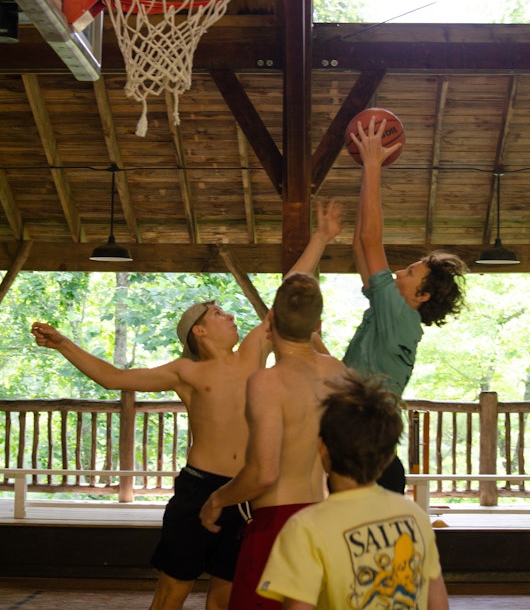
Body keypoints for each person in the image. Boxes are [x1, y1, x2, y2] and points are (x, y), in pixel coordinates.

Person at [30, 199, 344, 610]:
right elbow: (114, 378)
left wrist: (320, 236)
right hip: (198, 490)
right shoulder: (186, 373)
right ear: (199, 330)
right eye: (218, 313)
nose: (230, 316)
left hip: (244, 492)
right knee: (173, 590)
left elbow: (288, 294)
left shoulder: (253, 354)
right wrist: (64, 344)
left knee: (225, 594)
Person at [199, 271, 349, 610]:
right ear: (317, 323)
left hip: (279, 526)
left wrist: (218, 499)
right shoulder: (339, 372)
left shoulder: (268, 382)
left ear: (270, 322)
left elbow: (264, 473)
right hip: (325, 519)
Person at [343, 114, 467, 492]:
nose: (398, 273)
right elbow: (359, 246)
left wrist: (373, 165)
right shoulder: (392, 312)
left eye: (410, 273)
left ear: (421, 296)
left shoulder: (399, 315)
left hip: (370, 465)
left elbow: (369, 241)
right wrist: (368, 170)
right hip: (365, 458)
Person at [257, 370, 449, 610]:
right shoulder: (415, 516)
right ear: (389, 457)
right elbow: (438, 603)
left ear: (321, 447)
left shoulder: (305, 528)